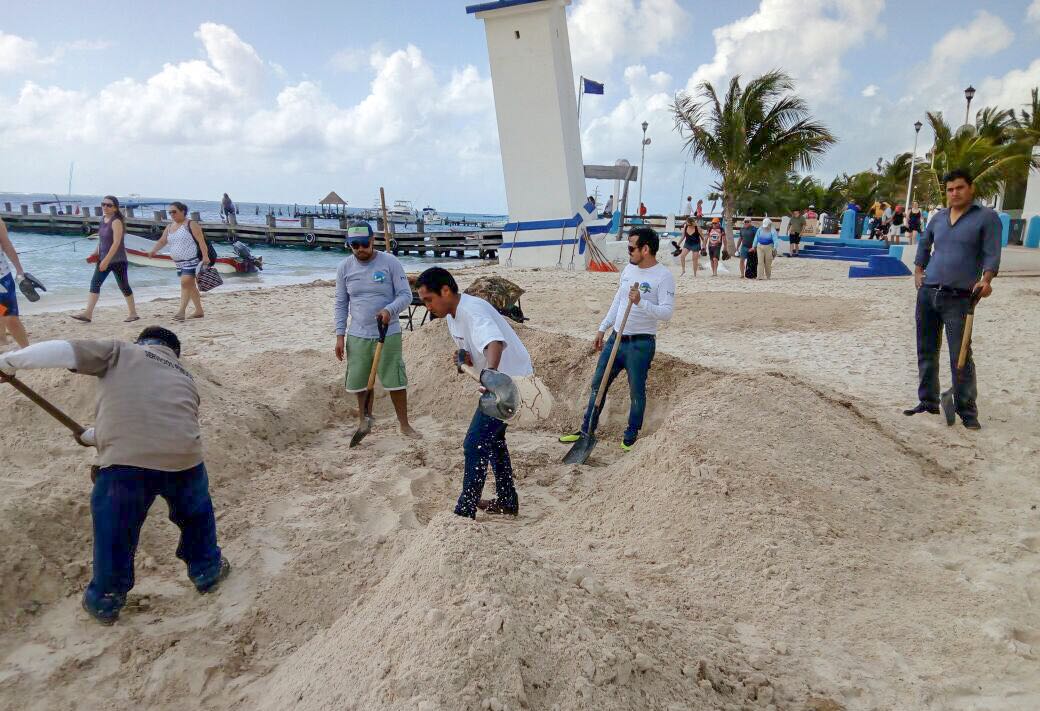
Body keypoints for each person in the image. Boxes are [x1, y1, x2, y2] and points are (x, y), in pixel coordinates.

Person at [0, 327, 231, 624]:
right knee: (197, 517)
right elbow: (155, 423)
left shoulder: (122, 351)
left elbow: (64, 350)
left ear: (142, 342)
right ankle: (208, 571)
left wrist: (9, 361)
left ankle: (106, 599)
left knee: (115, 530)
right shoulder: (185, 376)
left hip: (126, 465)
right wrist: (92, 436)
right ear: (174, 353)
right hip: (186, 458)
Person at [415, 267, 534, 518]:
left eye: (429, 299)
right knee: (494, 441)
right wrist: (464, 357)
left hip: (511, 384)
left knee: (475, 443)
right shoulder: (452, 315)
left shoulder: (472, 310)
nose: (427, 307)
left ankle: (464, 511)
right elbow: (474, 346)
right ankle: (507, 501)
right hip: (500, 381)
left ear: (445, 291)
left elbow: (493, 343)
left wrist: (491, 373)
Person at [559, 226, 673, 451]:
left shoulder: (663, 276)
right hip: (616, 339)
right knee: (598, 384)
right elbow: (618, 300)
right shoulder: (629, 270)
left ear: (646, 249)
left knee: (636, 391)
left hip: (641, 343)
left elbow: (667, 313)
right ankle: (586, 430)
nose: (628, 251)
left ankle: (630, 436)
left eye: (631, 248)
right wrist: (603, 327)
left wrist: (641, 302)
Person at [904, 169, 1001, 430]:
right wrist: (918, 271)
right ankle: (928, 401)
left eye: (959, 188)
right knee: (926, 350)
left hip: (960, 298)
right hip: (928, 293)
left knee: (961, 356)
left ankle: (967, 411)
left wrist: (987, 280)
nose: (954, 193)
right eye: (950, 189)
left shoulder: (986, 217)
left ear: (971, 188)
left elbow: (992, 253)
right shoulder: (938, 218)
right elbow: (924, 244)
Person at [334, 221, 419, 438]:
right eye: (355, 245)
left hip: (388, 333)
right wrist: (340, 336)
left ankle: (404, 425)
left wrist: (389, 310)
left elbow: (406, 295)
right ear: (349, 245)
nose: (360, 249)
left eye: (364, 244)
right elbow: (341, 303)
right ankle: (365, 422)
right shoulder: (344, 267)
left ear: (373, 240)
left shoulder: (390, 262)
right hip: (357, 335)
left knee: (395, 380)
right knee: (360, 383)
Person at [72, 196, 139, 324]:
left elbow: (116, 243)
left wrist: (106, 260)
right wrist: (95, 252)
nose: (105, 207)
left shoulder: (116, 221)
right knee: (95, 284)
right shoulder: (102, 219)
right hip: (103, 258)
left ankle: (133, 313)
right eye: (103, 204)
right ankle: (88, 314)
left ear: (115, 208)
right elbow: (102, 240)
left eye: (109, 205)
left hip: (118, 261)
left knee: (124, 286)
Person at [147, 202, 210, 322]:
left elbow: (201, 241)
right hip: (179, 263)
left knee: (185, 283)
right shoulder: (169, 227)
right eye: (170, 212)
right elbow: (162, 241)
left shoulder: (191, 224)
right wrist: (153, 251)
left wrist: (205, 256)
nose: (172, 214)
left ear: (183, 211)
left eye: (174, 212)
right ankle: (199, 311)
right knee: (190, 286)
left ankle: (181, 312)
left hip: (191, 260)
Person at [0, 217, 31, 348]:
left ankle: (27, 350)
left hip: (2, 278)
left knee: (10, 317)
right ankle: (2, 340)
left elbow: (7, 245)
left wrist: (19, 270)